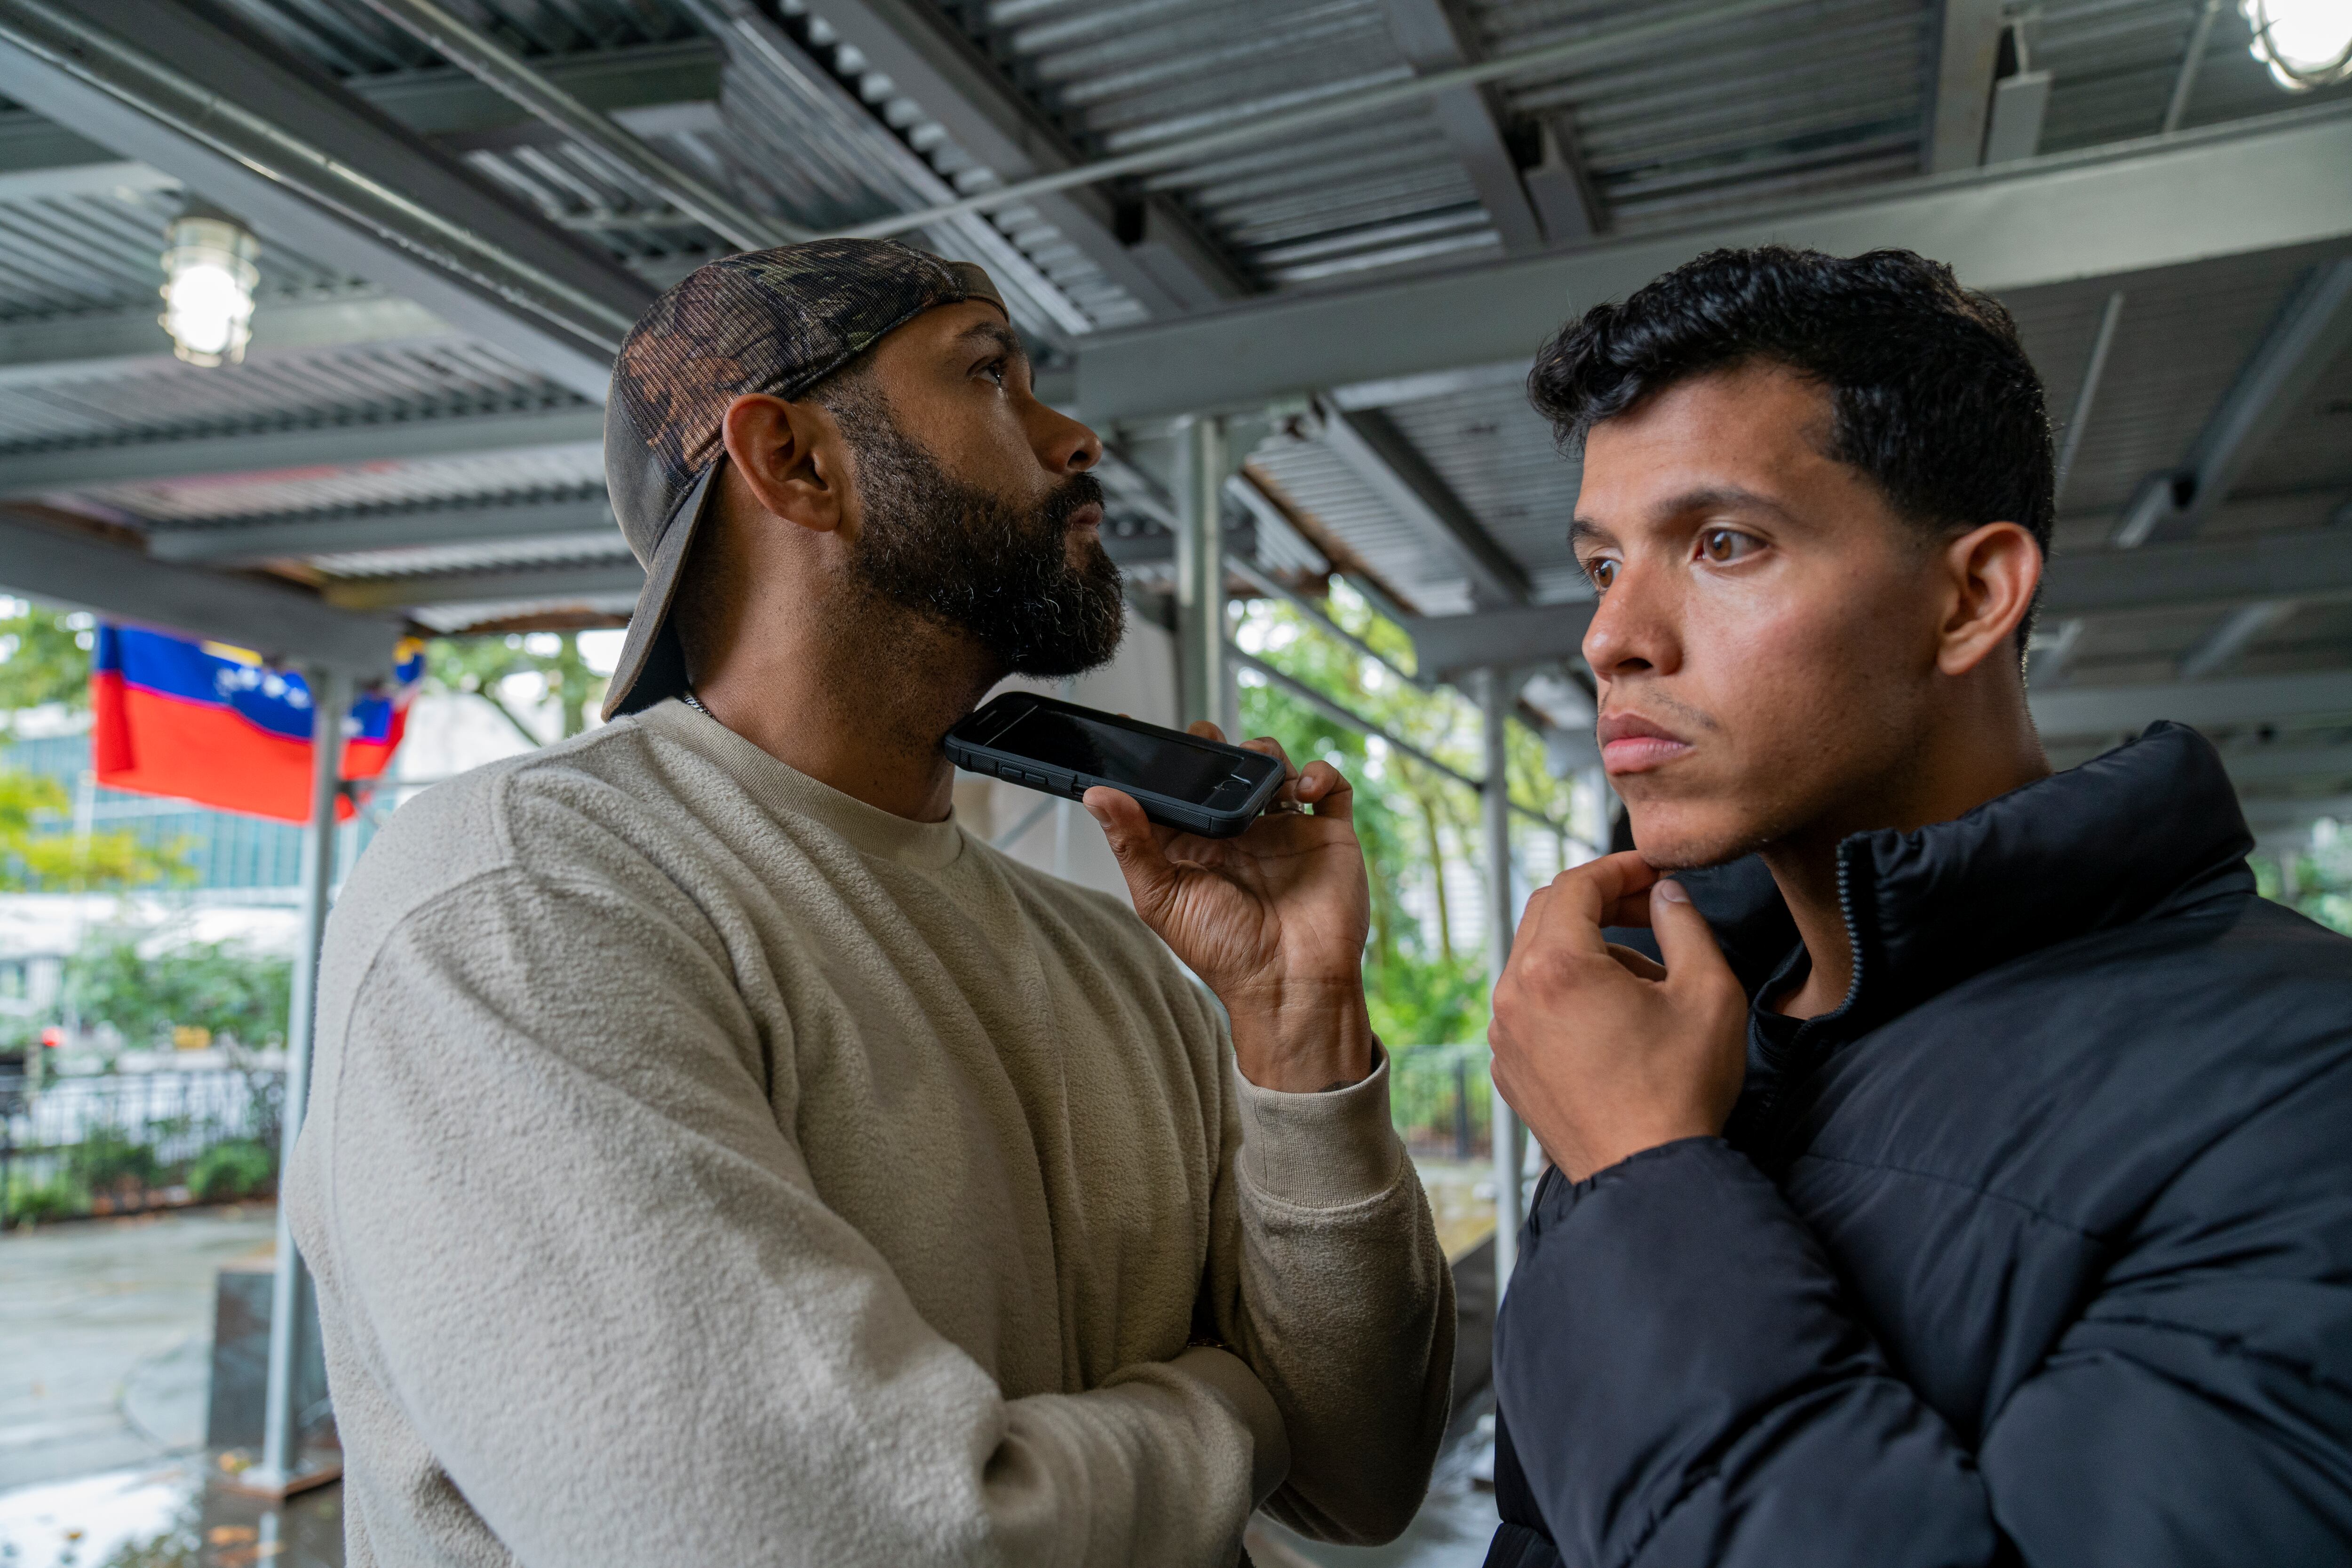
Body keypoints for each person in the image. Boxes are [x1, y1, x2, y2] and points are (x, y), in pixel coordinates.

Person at [286, 238, 1453, 1568]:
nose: (1073, 439)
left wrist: (1300, 1031)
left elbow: (1365, 1478)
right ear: (793, 461)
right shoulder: (526, 898)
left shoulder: (1117, 965)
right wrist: (1241, 1411)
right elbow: (829, 1542)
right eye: (994, 377)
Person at [1482, 246, 2352, 1566]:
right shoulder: (1680, 1035)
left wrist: (1649, 1187)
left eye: (1723, 543)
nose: (1612, 639)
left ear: (1972, 597)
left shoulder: (2306, 1088)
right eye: (1605, 565)